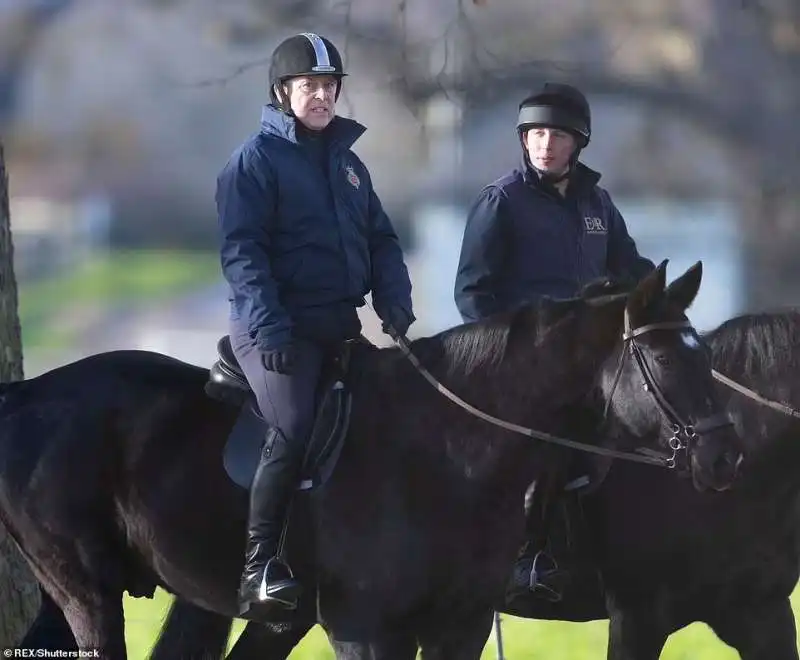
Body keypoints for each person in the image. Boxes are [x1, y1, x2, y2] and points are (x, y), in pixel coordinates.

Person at [215, 32, 415, 618]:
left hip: (337, 323)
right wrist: (271, 327)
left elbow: (381, 238)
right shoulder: (252, 162)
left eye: (330, 87)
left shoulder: (349, 166)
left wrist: (395, 302)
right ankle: (260, 568)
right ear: (283, 92)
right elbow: (242, 253)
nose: (323, 96)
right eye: (311, 86)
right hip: (273, 329)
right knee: (296, 422)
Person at [453, 82, 655, 601]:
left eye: (557, 135)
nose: (544, 144)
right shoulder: (501, 201)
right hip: (524, 363)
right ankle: (528, 556)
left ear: (578, 143)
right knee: (549, 440)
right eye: (536, 134)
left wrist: (661, 293)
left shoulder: (597, 204)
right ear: (524, 140)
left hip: (592, 359)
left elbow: (628, 268)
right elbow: (472, 291)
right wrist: (511, 349)